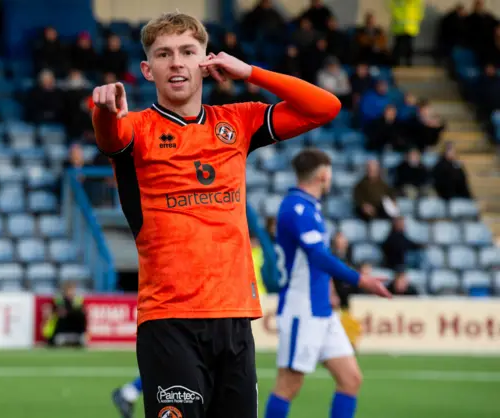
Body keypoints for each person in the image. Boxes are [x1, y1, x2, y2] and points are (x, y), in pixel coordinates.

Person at [93, 11, 341, 418]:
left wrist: (250, 72)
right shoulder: (135, 127)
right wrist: (103, 109)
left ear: (206, 62)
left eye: (188, 52)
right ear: (147, 69)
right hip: (170, 319)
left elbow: (325, 107)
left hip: (236, 317)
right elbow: (109, 135)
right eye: (164, 54)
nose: (176, 62)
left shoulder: (237, 121)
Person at [263, 149, 391, 418]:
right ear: (323, 175)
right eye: (329, 171)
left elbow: (313, 261)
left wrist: (329, 288)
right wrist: (361, 279)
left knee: (351, 379)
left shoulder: (308, 206)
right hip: (302, 310)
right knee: (288, 385)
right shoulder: (296, 208)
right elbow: (318, 256)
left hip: (321, 309)